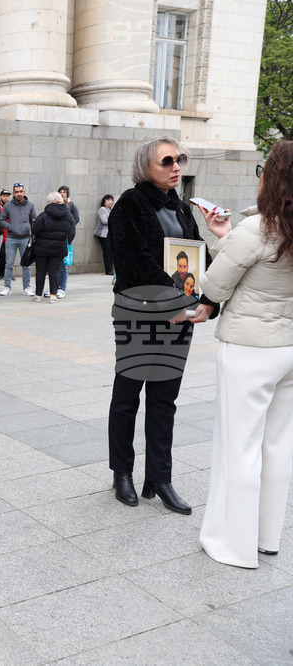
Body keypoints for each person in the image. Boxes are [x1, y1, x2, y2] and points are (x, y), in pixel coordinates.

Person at [107, 135, 218, 514]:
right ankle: (122, 472)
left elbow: (198, 261)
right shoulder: (131, 203)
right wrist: (175, 300)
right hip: (138, 313)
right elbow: (132, 260)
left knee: (164, 400)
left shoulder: (182, 209)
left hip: (178, 318)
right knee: (128, 397)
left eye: (180, 159)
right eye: (167, 161)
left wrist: (206, 301)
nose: (176, 167)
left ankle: (160, 477)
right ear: (146, 167)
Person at [198, 141, 293, 568]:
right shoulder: (266, 231)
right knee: (278, 444)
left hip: (250, 348)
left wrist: (225, 240)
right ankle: (265, 538)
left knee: (239, 446)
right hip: (288, 348)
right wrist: (226, 236)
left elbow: (216, 284)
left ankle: (232, 545)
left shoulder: (259, 229)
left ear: (271, 177)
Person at [31, 192, 76, 303]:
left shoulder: (43, 214)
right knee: (54, 271)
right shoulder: (68, 215)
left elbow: (35, 229)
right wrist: (65, 240)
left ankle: (38, 295)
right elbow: (72, 232)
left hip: (41, 248)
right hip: (59, 248)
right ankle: (53, 295)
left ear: (49, 201)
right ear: (61, 200)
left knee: (40, 271)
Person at [0, 183, 36, 296]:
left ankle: (27, 287)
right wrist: (11, 228)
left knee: (26, 264)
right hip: (11, 238)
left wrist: (33, 236)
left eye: (21, 191)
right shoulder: (8, 206)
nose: (19, 194)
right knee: (9, 263)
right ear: (13, 193)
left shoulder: (30, 205)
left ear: (24, 192)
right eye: (17, 192)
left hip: (25, 238)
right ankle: (7, 287)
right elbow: (1, 220)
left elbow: (34, 221)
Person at [55, 185, 80, 299]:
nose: (62, 193)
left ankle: (62, 288)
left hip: (65, 238)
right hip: (55, 237)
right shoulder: (55, 205)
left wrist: (67, 226)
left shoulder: (71, 205)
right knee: (54, 265)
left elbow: (76, 218)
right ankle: (54, 288)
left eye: (64, 192)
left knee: (63, 265)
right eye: (61, 192)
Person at [95, 194, 115, 275]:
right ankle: (108, 270)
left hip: (111, 233)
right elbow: (104, 221)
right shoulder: (102, 209)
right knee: (107, 252)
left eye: (111, 200)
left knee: (111, 252)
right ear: (104, 202)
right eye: (108, 200)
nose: (110, 202)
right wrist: (114, 220)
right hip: (103, 234)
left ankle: (111, 269)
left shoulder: (112, 209)